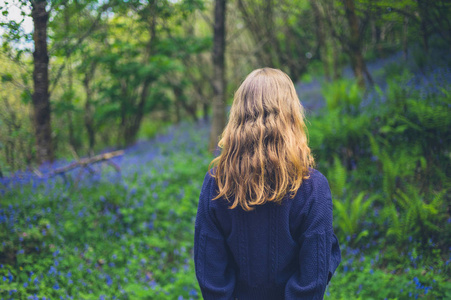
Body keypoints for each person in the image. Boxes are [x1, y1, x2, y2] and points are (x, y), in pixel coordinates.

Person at [194, 68, 341, 299]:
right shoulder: (314, 187)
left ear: (238, 117)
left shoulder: (216, 184)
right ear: (291, 116)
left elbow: (211, 278)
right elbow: (312, 281)